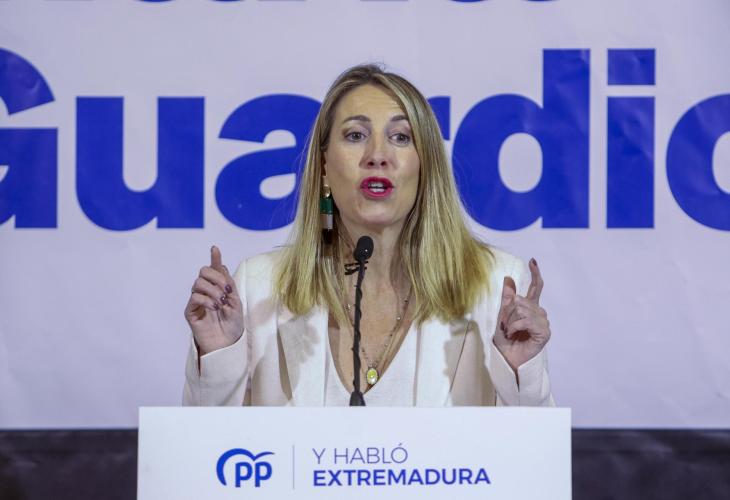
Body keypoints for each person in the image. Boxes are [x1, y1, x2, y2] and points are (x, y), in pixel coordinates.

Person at [183, 65, 554, 407]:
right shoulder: (258, 289)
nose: (377, 155)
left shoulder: (496, 286)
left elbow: (529, 452)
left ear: (426, 165)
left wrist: (521, 375)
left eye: (400, 137)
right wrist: (217, 357)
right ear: (324, 164)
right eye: (356, 135)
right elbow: (208, 449)